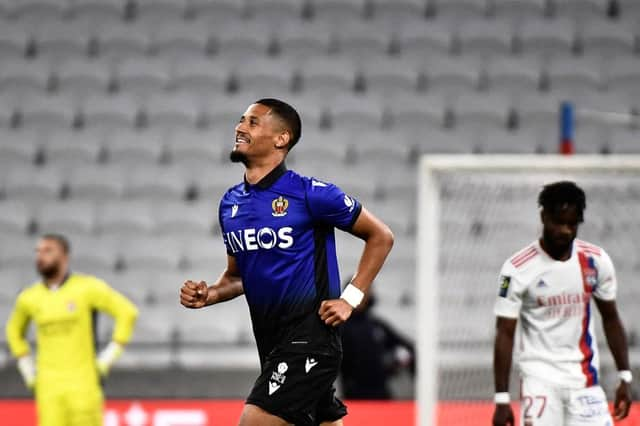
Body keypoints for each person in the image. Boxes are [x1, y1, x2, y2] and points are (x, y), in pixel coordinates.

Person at [180, 98, 394, 426]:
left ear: (282, 138)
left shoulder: (311, 193)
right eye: (241, 120)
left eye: (253, 122)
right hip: (271, 343)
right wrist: (209, 293)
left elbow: (381, 236)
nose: (239, 127)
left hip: (312, 337)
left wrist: (350, 299)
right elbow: (238, 277)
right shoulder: (230, 204)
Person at [492, 181, 632, 426]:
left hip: (584, 383)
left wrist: (625, 375)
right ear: (543, 216)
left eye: (572, 224)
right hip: (539, 382)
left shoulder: (596, 261)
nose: (565, 231)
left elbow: (610, 318)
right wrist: (502, 398)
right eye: (558, 222)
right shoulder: (515, 269)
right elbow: (504, 332)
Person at [5, 234, 139, 426]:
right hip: (48, 387)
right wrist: (26, 367)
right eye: (38, 252)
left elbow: (127, 312)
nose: (41, 256)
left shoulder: (87, 288)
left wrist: (109, 356)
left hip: (83, 384)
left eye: (48, 250)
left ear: (65, 257)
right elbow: (13, 330)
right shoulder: (29, 298)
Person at [340, 290, 415, 400]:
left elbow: (408, 347)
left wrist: (394, 362)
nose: (362, 298)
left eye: (365, 293)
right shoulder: (341, 329)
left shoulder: (376, 325)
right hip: (354, 395)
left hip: (381, 393)